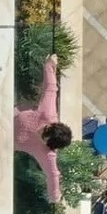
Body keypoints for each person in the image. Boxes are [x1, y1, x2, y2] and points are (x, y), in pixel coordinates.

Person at [15, 54, 73, 203]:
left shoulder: (47, 154)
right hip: (4, 116)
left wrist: (55, 197)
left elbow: (53, 175)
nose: (41, 131)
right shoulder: (48, 114)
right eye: (45, 129)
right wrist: (49, 64)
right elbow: (51, 89)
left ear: (48, 144)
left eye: (43, 136)